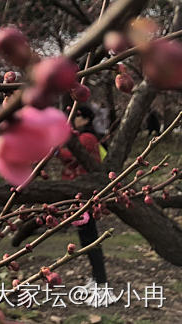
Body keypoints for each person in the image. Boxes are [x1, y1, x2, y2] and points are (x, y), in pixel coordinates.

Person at [57, 105, 115, 303]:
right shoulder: (83, 137)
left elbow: (70, 159)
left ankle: (102, 285)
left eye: (79, 116)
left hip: (85, 197)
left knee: (91, 240)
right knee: (86, 240)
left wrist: (55, 148)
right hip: (79, 196)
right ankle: (97, 279)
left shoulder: (86, 138)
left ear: (86, 119)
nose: (75, 119)